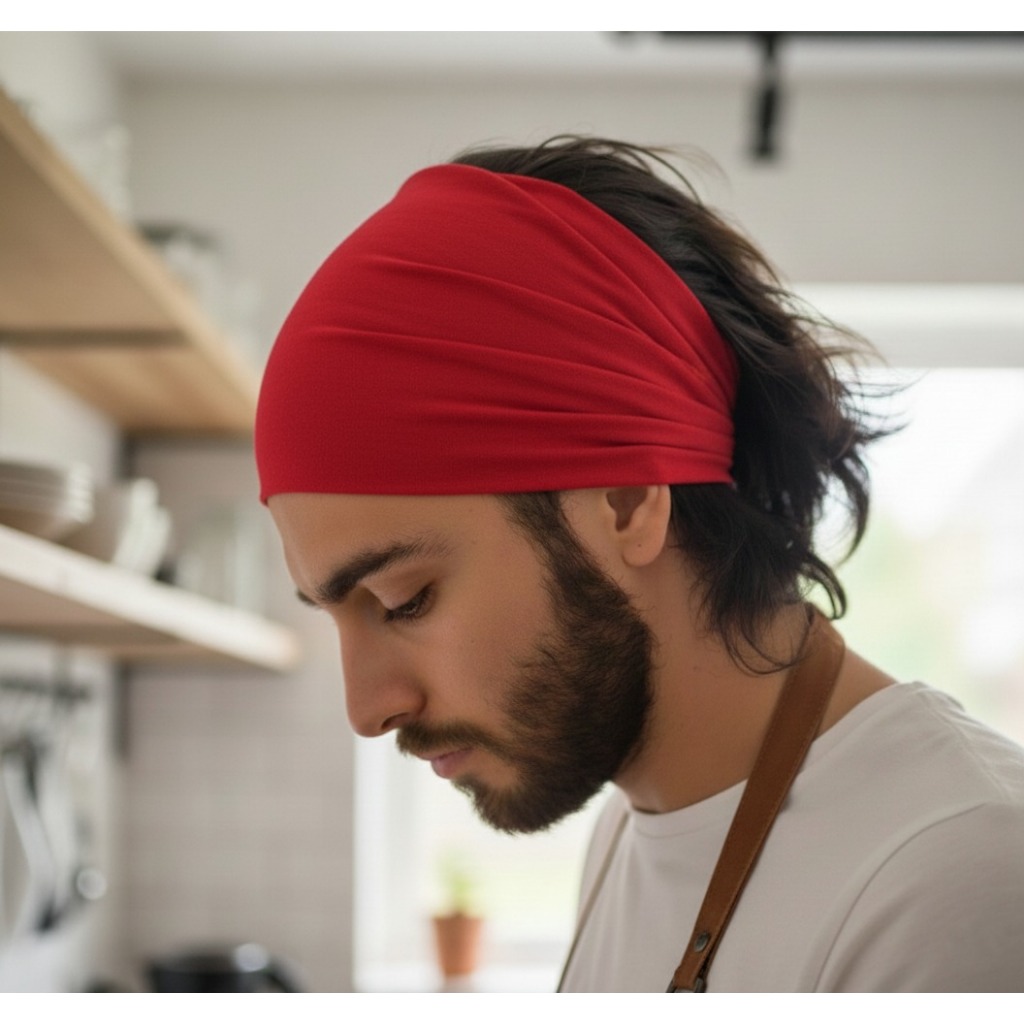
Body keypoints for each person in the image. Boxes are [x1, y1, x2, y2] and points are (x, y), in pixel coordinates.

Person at [254, 136, 1024, 992]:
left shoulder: (956, 876)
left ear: (625, 501)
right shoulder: (629, 828)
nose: (367, 710)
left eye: (404, 600)